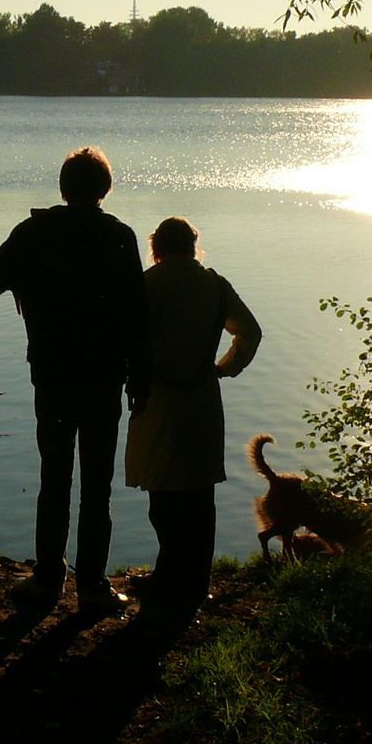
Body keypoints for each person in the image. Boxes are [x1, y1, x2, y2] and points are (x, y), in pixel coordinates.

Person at [0, 147, 151, 614]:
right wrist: (140, 378)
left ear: (63, 188)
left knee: (54, 478)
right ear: (106, 190)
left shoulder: (34, 232)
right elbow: (136, 315)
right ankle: (91, 586)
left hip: (51, 374)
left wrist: (21, 271)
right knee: (97, 485)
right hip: (105, 376)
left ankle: (48, 580)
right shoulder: (121, 237)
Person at [124, 217, 261, 617]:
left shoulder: (146, 285)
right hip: (201, 398)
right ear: (193, 246)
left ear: (156, 248)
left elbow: (124, 337)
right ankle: (196, 581)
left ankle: (168, 575)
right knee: (201, 495)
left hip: (157, 399)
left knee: (162, 491)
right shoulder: (215, 285)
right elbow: (250, 332)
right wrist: (224, 367)